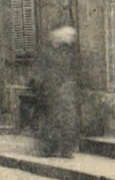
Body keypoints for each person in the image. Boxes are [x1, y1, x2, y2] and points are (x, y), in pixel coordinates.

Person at [31, 24, 80, 157]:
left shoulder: (67, 51)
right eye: (68, 35)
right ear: (58, 35)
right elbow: (38, 71)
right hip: (49, 91)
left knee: (68, 120)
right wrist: (41, 87)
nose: (71, 38)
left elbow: (72, 69)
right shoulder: (45, 51)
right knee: (51, 120)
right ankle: (48, 149)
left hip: (65, 90)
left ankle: (66, 149)